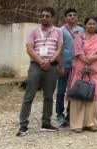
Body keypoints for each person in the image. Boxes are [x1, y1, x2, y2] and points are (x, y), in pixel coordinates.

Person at [17, 7, 63, 136]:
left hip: (52, 66)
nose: (44, 18)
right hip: (36, 65)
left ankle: (46, 123)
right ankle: (23, 125)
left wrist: (50, 61)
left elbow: (59, 48)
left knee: (48, 96)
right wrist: (41, 61)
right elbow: (29, 48)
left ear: (52, 18)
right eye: (42, 16)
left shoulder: (58, 31)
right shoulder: (34, 32)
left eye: (47, 16)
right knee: (29, 96)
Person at [68, 17, 97, 132]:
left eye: (94, 24)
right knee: (79, 93)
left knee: (94, 95)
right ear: (85, 25)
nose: (91, 26)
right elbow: (77, 51)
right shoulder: (79, 37)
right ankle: (77, 124)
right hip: (80, 68)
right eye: (89, 24)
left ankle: (91, 123)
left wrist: (92, 58)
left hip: (96, 69)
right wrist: (85, 60)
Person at [57, 8, 84, 127]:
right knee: (61, 90)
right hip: (65, 64)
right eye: (69, 15)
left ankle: (70, 113)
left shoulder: (82, 30)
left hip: (78, 64)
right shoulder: (60, 31)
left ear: (77, 17)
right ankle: (59, 114)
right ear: (65, 18)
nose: (72, 16)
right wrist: (60, 65)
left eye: (74, 15)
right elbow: (59, 49)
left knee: (74, 90)